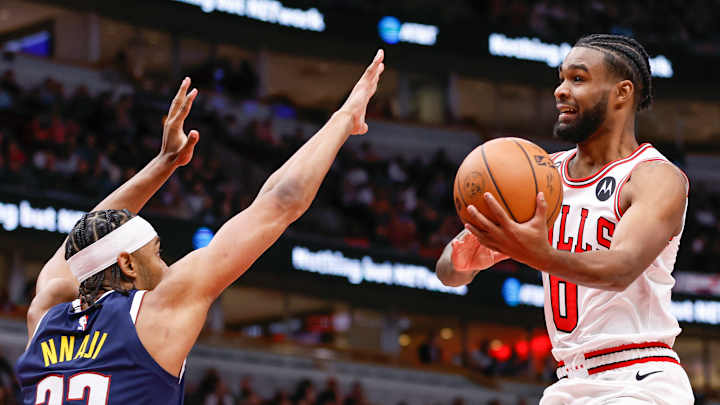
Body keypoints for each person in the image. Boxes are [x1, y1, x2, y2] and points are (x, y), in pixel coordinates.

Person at [15, 49, 385, 404]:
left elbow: (82, 243)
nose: (164, 265)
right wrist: (344, 117)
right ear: (127, 263)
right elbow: (281, 202)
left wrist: (164, 163)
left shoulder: (45, 315)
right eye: (156, 253)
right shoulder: (159, 308)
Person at [436, 34, 693, 405]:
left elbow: (620, 268)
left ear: (622, 93)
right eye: (561, 78)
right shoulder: (543, 176)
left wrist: (538, 254)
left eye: (578, 78)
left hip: (637, 380)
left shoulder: (654, 176)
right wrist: (463, 261)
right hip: (568, 384)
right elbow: (448, 272)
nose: (560, 90)